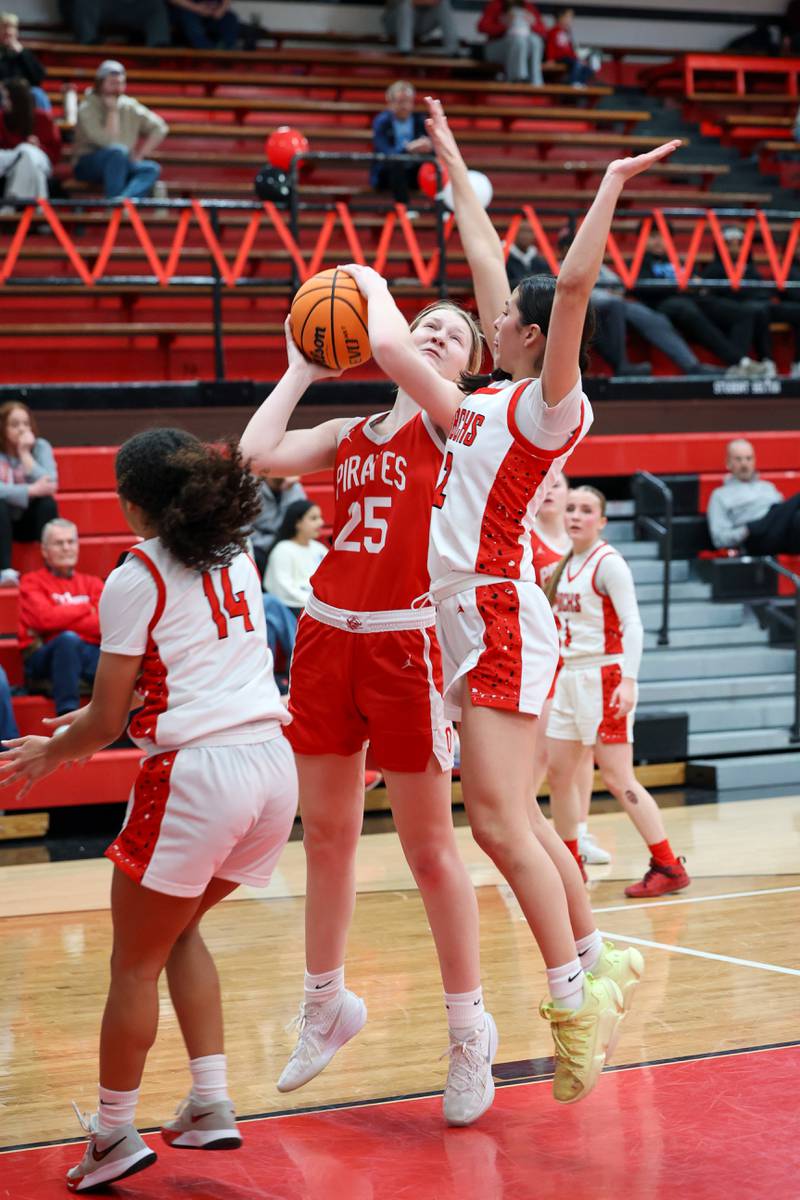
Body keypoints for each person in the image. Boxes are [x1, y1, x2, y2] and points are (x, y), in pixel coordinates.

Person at [339, 95, 675, 1104]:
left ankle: (572, 999)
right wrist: (448, 158)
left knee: (492, 822)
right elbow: (495, 262)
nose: (484, 317)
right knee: (517, 824)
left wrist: (609, 188)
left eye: (500, 319)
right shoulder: (485, 396)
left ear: (524, 337)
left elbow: (564, 286)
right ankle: (594, 956)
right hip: (463, 616)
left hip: (491, 610)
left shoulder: (541, 405)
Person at [0, 428, 297, 1192]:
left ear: (134, 504)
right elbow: (172, 680)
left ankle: (111, 1133)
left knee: (132, 961)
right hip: (270, 766)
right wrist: (79, 729)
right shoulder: (237, 551)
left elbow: (105, 721)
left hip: (199, 774)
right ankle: (209, 1100)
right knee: (181, 929)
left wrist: (48, 751)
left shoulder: (137, 575)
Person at [241, 302, 499, 1128]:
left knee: (429, 850)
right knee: (325, 839)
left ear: (466, 367)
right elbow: (254, 456)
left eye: (452, 333)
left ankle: (470, 1030)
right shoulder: (351, 431)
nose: (432, 333)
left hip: (406, 643)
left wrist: (367, 294)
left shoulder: (461, 423)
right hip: (324, 635)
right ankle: (325, 1005)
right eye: (425, 322)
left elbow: (386, 342)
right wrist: (300, 369)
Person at [544, 486, 690, 898]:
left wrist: (629, 680)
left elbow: (634, 625)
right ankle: (572, 864)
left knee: (617, 777)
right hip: (569, 677)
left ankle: (667, 863)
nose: (575, 515)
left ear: (602, 521)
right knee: (559, 775)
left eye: (586, 510)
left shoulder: (609, 564)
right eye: (571, 508)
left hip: (603, 676)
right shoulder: (564, 565)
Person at [529, 472, 609, 867]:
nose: (548, 489)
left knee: (583, 751)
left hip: (582, 661)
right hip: (542, 661)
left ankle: (579, 831)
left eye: (556, 483)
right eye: (541, 482)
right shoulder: (523, 538)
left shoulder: (585, 546)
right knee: (544, 753)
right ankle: (526, 836)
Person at [634, 232, 757, 377]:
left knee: (742, 313)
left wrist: (698, 286)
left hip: (693, 298)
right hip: (664, 303)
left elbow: (695, 279)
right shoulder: (638, 262)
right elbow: (642, 289)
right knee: (687, 310)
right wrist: (679, 286)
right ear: (641, 240)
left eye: (663, 237)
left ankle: (737, 365)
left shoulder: (677, 259)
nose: (658, 241)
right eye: (653, 236)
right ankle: (739, 361)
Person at [18, 519, 104, 716]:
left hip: (88, 653)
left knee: (125, 655)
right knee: (67, 640)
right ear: (44, 550)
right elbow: (43, 618)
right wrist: (87, 608)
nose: (66, 548)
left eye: (71, 542)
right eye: (58, 543)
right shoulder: (31, 581)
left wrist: (60, 616)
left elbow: (104, 624)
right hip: (44, 656)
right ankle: (65, 720)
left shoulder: (93, 583)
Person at [73, 60, 168, 199]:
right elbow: (109, 142)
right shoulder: (87, 107)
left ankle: (122, 202)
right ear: (100, 84)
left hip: (122, 161)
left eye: (120, 83)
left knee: (151, 169)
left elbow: (160, 128)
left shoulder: (130, 105)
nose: (117, 88)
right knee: (117, 153)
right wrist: (113, 111)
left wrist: (139, 155)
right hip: (88, 164)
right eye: (112, 83)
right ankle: (114, 206)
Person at [707, 437, 800, 555]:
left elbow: (783, 517)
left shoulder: (768, 487)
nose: (744, 463)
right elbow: (719, 539)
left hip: (782, 535)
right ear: (728, 463)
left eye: (748, 458)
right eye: (738, 459)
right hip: (755, 540)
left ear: (754, 461)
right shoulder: (720, 495)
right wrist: (747, 530)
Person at [0, 401, 58, 587]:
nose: (22, 429)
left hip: (29, 521)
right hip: (3, 521)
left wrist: (25, 455)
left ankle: (52, 569)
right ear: (3, 427)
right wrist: (30, 490)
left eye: (26, 424)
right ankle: (5, 572)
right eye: (15, 424)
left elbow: (50, 483)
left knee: (47, 503)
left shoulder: (40, 447)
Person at [371, 80, 432, 210]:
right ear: (390, 103)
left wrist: (428, 147)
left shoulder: (420, 120)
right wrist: (408, 149)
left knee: (435, 163)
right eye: (400, 101)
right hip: (388, 174)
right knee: (396, 163)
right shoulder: (382, 122)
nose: (405, 106)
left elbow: (432, 148)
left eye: (408, 101)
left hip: (414, 172)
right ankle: (404, 209)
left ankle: (441, 208)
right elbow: (385, 151)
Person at [0, 77, 60, 202]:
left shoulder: (43, 119)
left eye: (6, 98)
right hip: (10, 164)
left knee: (27, 153)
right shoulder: (1, 118)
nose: (3, 102)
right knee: (26, 157)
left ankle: (11, 204)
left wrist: (38, 147)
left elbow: (55, 156)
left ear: (17, 99)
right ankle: (39, 210)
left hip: (39, 161)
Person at [263, 499, 326, 617]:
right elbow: (282, 589)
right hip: (294, 611)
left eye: (320, 518)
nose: (321, 522)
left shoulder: (319, 548)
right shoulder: (283, 550)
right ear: (297, 523)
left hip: (320, 608)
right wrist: (315, 604)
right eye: (314, 518)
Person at [250, 473, 307, 579]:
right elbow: (244, 528)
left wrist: (287, 491)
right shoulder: (252, 488)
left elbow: (302, 518)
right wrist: (270, 543)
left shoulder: (294, 488)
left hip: (285, 543)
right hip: (259, 546)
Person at [478, 1, 546, 87]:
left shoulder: (528, 7)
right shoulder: (496, 4)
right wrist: (504, 24)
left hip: (523, 46)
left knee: (535, 40)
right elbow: (482, 27)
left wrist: (533, 23)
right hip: (496, 47)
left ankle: (536, 82)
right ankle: (517, 79)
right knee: (518, 40)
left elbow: (544, 32)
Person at [58, 0, 171, 48]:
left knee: (154, 4)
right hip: (86, 6)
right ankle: (88, 40)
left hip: (120, 5)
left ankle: (158, 44)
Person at [0, 12, 50, 111]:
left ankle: (44, 124)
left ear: (16, 32)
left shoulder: (25, 53)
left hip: (24, 91)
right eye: (4, 27)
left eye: (11, 28)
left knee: (38, 94)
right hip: (2, 91)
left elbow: (39, 78)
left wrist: (22, 53)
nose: (8, 32)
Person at [544, 7, 599, 87]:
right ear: (560, 17)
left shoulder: (566, 33)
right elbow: (550, 46)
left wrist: (578, 59)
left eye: (571, 17)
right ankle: (573, 82)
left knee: (588, 69)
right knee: (576, 64)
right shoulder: (553, 31)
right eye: (568, 17)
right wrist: (550, 59)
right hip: (559, 58)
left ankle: (580, 83)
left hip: (569, 58)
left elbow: (570, 50)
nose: (570, 20)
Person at [383, 0, 459, 57]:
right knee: (406, 4)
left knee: (443, 3)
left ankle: (453, 51)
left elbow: (435, 1)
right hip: (394, 24)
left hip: (418, 24)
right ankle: (404, 51)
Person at [168, 0, 240, 50]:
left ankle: (227, 49)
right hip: (188, 9)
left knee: (230, 18)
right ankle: (207, 51)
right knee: (188, 19)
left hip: (212, 12)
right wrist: (197, 8)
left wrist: (221, 9)